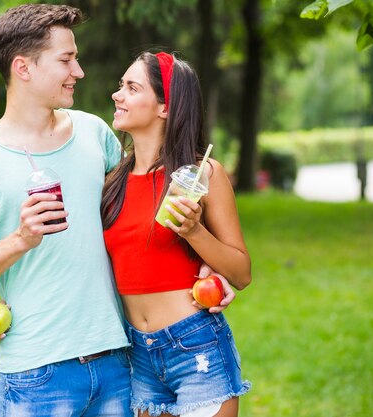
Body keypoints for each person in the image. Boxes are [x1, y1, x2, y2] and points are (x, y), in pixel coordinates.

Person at [0, 4, 133, 416]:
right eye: (66, 60)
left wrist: (203, 267)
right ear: (23, 68)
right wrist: (19, 241)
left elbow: (134, 223)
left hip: (117, 359)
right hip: (37, 374)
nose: (77, 71)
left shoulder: (94, 134)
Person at [101, 51, 252, 417]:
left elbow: (242, 273)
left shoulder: (203, 175)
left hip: (196, 347)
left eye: (132, 87)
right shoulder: (111, 181)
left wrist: (194, 232)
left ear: (165, 107)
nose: (117, 95)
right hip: (137, 353)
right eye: (121, 85)